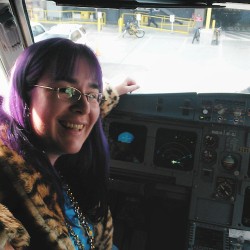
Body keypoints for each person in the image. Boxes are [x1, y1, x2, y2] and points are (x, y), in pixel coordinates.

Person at [0, 37, 139, 250]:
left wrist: (112, 90)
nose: (84, 107)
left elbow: (88, 111)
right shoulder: (7, 179)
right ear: (25, 93)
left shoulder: (57, 161)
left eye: (92, 94)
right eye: (66, 90)